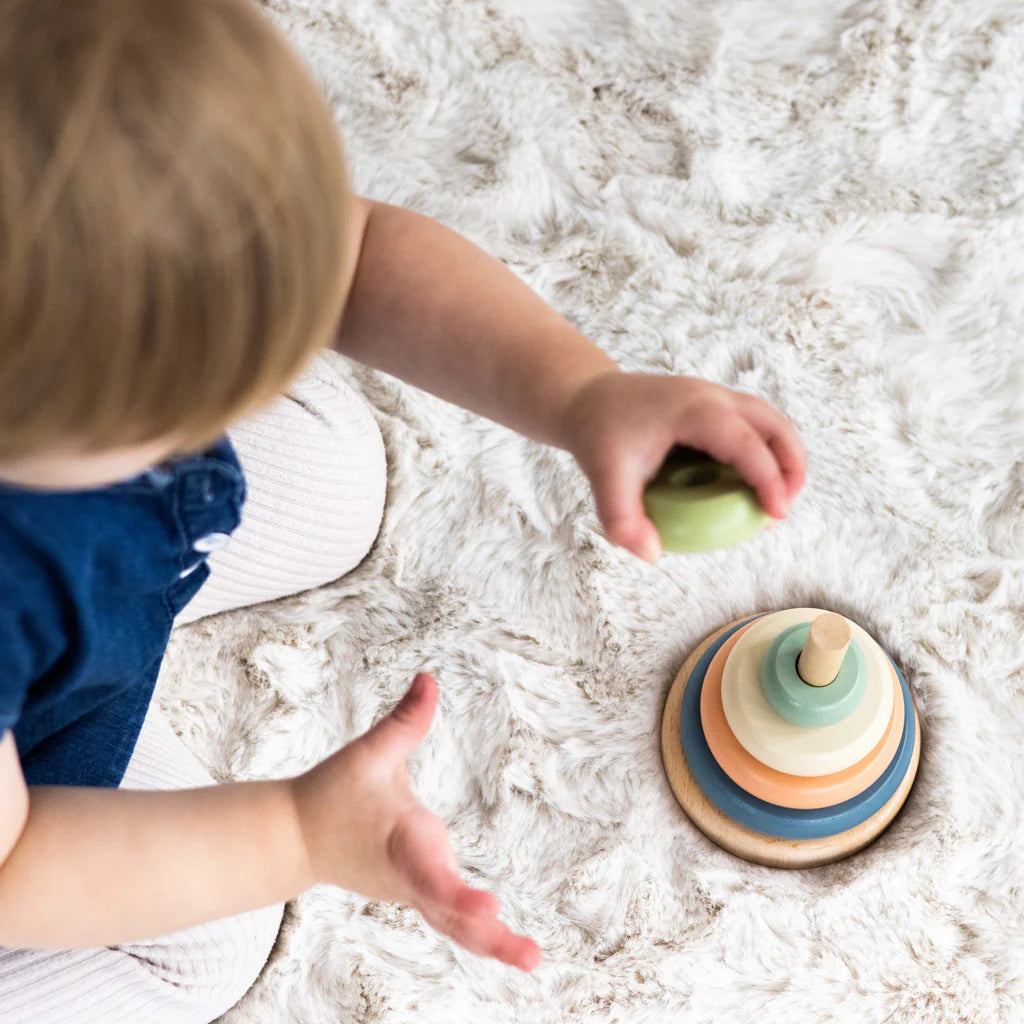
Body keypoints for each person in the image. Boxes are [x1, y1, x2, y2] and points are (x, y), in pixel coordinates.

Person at [0, 0, 806, 1021]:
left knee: (338, 464)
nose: (258, 385)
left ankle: (121, 592)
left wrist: (584, 395)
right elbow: (16, 866)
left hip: (75, 553)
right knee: (205, 942)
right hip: (22, 805)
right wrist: (295, 831)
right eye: (179, 412)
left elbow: (362, 251)